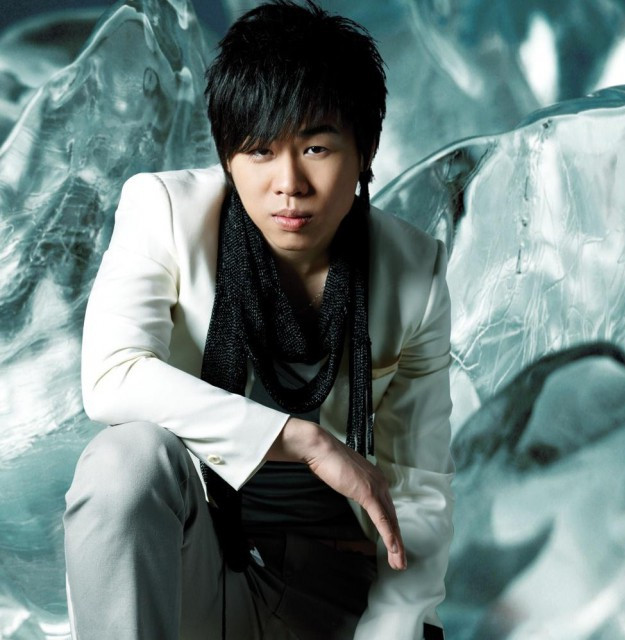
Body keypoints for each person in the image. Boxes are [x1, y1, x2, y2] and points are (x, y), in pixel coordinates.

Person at [63, 1, 455, 639]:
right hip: (196, 565)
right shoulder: (164, 210)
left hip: (327, 588)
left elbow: (421, 492)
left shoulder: (416, 272)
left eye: (317, 147)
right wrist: (304, 440)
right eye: (260, 151)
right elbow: (112, 376)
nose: (288, 182)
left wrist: (393, 627)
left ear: (366, 149)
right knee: (124, 461)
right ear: (227, 157)